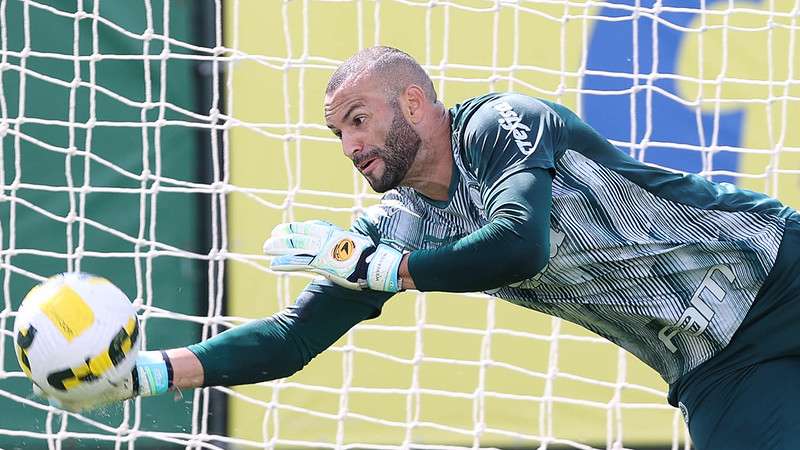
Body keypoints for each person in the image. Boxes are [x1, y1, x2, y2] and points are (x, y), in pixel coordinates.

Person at [40, 46, 800, 449]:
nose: (349, 144)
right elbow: (291, 340)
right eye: (338, 132)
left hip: (778, 269)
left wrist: (384, 271)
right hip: (716, 366)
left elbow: (517, 246)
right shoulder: (394, 227)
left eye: (360, 120)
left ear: (414, 102)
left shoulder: (502, 123)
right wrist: (148, 373)